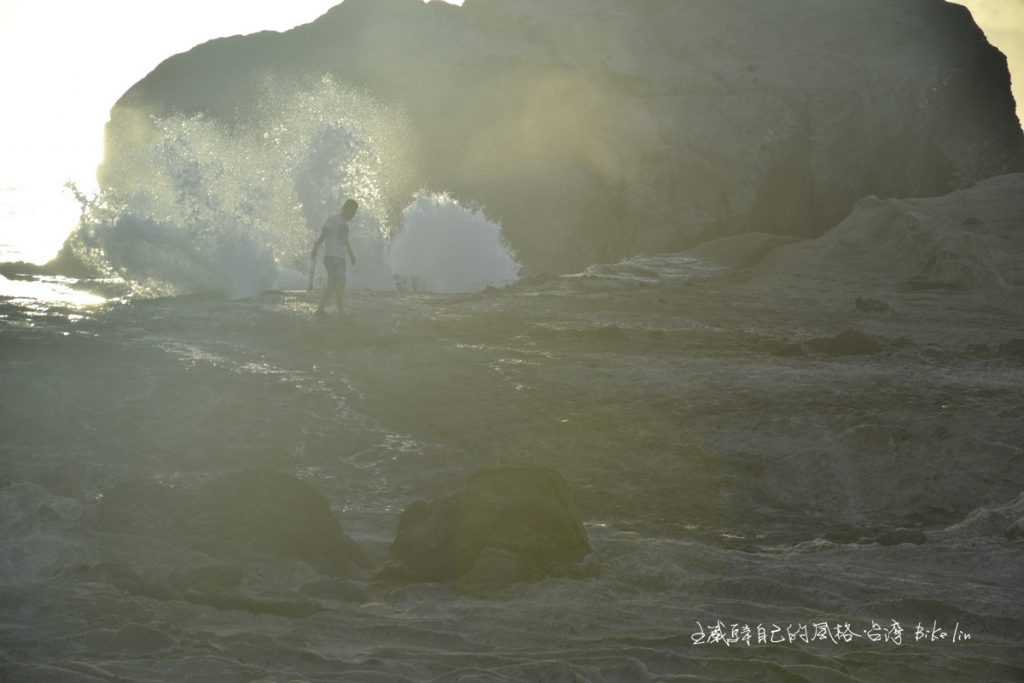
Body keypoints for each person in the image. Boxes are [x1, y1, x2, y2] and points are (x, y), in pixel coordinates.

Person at [311, 198, 358, 315]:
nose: (353, 215)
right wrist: (315, 247)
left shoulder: (345, 224)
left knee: (334, 283)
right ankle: (339, 310)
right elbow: (324, 234)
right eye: (352, 212)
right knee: (339, 281)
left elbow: (345, 241)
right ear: (346, 209)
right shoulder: (333, 219)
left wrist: (351, 254)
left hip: (340, 257)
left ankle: (322, 309)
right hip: (332, 256)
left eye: (354, 213)